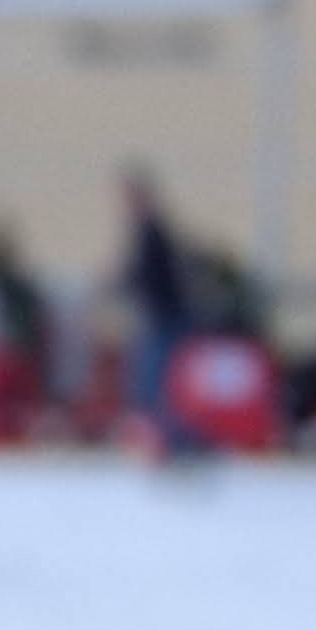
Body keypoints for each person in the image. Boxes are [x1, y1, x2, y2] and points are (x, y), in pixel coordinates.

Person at [119, 167, 200, 460]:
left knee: (156, 384)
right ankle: (166, 441)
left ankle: (172, 442)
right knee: (153, 384)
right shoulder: (152, 231)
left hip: (165, 320)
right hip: (162, 318)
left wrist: (124, 280)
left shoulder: (152, 232)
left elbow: (148, 276)